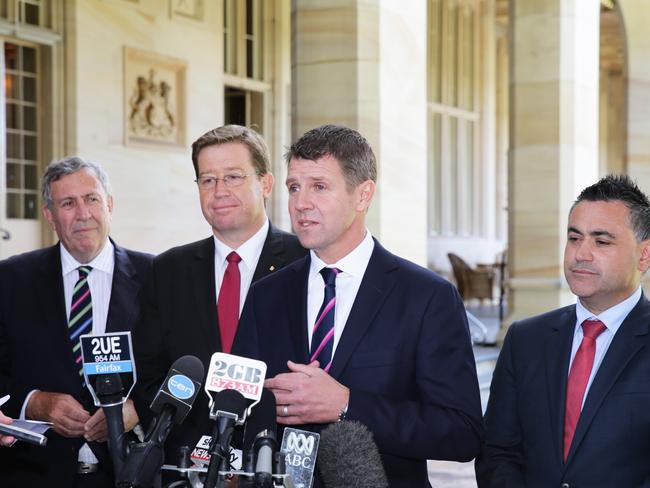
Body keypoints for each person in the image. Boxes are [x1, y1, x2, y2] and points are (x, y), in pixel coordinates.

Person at [234, 124, 484, 488]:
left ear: (363, 195)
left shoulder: (427, 297)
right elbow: (240, 410)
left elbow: (461, 432)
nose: (300, 203)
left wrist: (347, 405)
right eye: (293, 187)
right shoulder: (265, 295)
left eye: (319, 186)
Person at [133, 125, 306, 462]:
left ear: (266, 183)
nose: (219, 190)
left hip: (279, 461)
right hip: (188, 465)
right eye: (208, 180)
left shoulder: (305, 262)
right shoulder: (167, 270)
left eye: (233, 177)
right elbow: (147, 377)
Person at [475, 174, 650, 487]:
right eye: (574, 238)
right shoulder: (525, 339)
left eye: (601, 241)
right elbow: (497, 451)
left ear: (644, 254)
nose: (581, 253)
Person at [0, 157, 153, 487]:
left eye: (92, 199)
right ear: (50, 216)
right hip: (33, 474)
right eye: (68, 203)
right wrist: (33, 403)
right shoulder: (10, 280)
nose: (83, 214)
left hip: (128, 473)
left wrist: (137, 408)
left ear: (109, 204)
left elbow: (175, 367)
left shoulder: (156, 277)